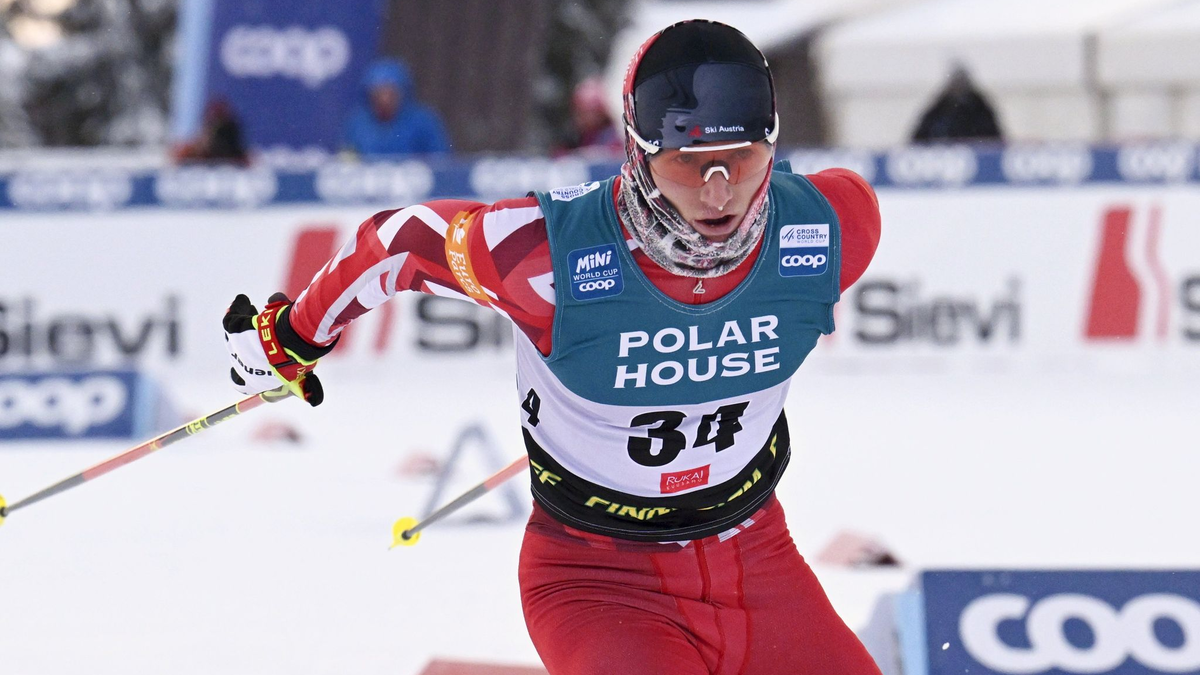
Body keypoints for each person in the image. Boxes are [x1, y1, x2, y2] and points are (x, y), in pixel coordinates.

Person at [224, 20, 882, 675]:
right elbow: (397, 243)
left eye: (740, 159)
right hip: (601, 578)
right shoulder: (544, 252)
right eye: (687, 163)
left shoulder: (833, 224)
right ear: (639, 151)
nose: (718, 191)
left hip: (758, 560)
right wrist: (293, 335)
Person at [342, 57, 451, 158]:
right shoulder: (357, 124)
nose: (384, 100)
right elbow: (346, 160)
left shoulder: (424, 121)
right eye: (379, 93)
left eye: (390, 93)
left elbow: (440, 162)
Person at [912, 64, 1003, 144]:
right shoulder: (939, 109)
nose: (959, 87)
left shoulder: (981, 109)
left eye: (962, 83)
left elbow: (994, 139)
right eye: (956, 83)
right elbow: (918, 139)